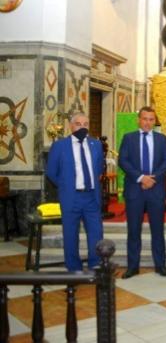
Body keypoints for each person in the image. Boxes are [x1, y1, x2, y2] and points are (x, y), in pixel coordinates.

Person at [118, 106, 166, 278]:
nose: (148, 122)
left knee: (158, 230)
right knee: (133, 230)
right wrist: (141, 178)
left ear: (154, 121)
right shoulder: (128, 138)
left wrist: (152, 178)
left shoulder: (162, 139)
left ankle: (160, 265)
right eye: (145, 119)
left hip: (155, 190)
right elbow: (123, 161)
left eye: (151, 119)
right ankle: (132, 266)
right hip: (135, 190)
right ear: (138, 120)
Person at [46, 112, 104, 271]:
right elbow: (51, 172)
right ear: (71, 126)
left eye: (86, 124)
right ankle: (73, 268)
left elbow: (99, 168)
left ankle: (95, 264)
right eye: (78, 124)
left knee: (96, 233)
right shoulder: (60, 146)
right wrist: (66, 186)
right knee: (71, 235)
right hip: (71, 197)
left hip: (91, 196)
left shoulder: (96, 145)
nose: (82, 127)